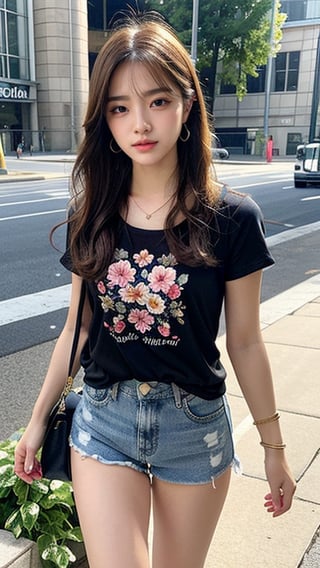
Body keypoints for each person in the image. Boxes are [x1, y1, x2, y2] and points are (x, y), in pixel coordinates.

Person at [14, 14, 296, 568]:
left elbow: (244, 341)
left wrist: (274, 448)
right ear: (106, 121)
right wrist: (38, 417)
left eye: (158, 101)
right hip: (104, 421)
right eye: (119, 107)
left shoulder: (233, 218)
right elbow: (78, 326)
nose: (140, 122)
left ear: (188, 105)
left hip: (194, 429)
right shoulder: (91, 214)